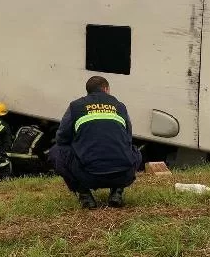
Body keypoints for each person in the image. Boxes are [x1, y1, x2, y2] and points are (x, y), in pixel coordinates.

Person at [49, 76, 141, 209]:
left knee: (55, 151)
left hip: (87, 176)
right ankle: (117, 192)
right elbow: (128, 138)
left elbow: (62, 138)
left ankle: (85, 195)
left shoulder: (75, 107)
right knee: (135, 151)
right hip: (122, 175)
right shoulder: (120, 107)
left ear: (88, 91)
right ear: (106, 89)